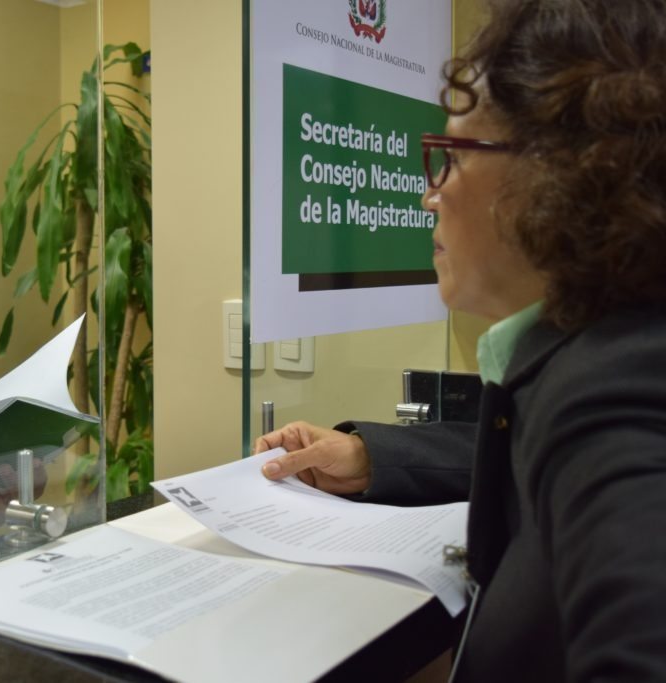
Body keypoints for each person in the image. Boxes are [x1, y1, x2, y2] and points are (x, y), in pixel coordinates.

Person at [256, 1, 666, 680]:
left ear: (560, 173)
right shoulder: (588, 355)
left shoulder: (613, 396)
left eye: (449, 156)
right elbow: (519, 447)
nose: (429, 194)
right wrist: (366, 455)